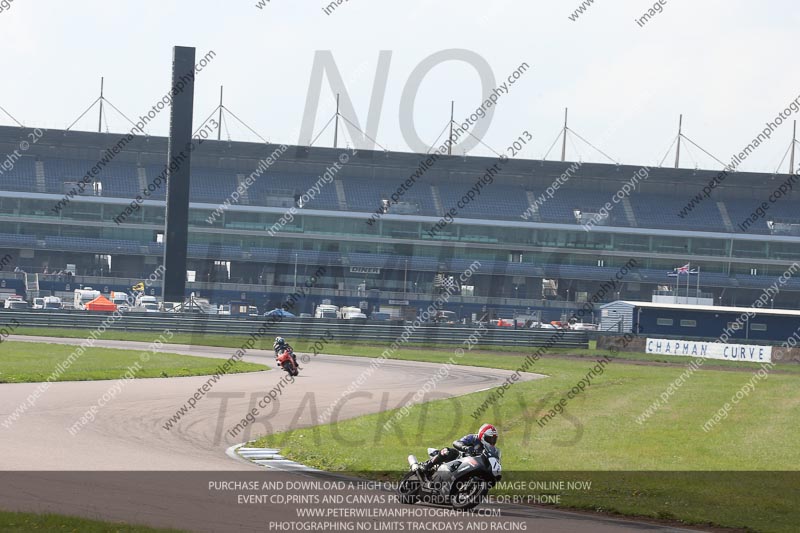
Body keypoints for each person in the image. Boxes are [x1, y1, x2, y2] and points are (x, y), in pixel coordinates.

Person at [417, 424, 498, 475]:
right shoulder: (473, 438)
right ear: (482, 435)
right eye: (489, 439)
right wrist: (466, 448)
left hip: (471, 467)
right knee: (447, 451)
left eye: (494, 439)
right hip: (458, 458)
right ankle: (427, 465)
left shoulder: (490, 450)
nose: (492, 442)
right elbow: (456, 442)